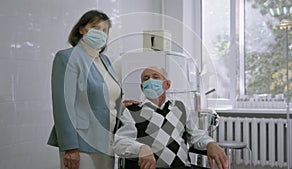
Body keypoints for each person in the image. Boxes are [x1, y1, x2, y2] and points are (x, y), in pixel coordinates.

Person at [47, 10, 123, 169]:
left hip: (107, 141)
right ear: (81, 29)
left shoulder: (105, 60)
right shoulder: (67, 57)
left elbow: (109, 96)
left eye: (105, 30)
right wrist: (70, 147)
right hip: (81, 144)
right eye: (95, 28)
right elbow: (63, 106)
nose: (101, 34)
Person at [113, 66, 229, 169]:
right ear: (142, 87)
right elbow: (120, 143)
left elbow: (195, 135)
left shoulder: (180, 107)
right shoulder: (133, 111)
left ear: (167, 84)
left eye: (155, 77)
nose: (150, 80)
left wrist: (210, 143)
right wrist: (141, 148)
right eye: (146, 78)